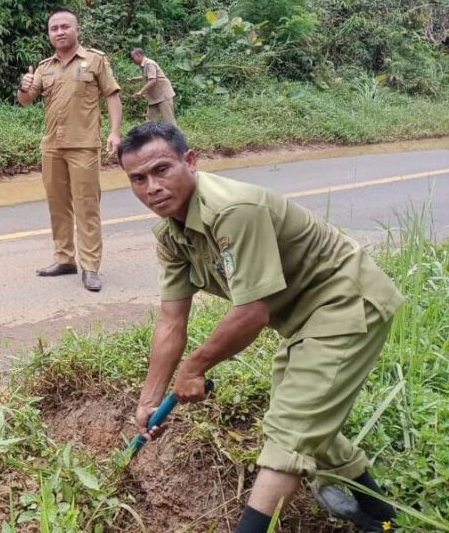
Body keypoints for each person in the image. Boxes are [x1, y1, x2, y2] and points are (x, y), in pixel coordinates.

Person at [118, 122, 402, 533]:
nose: (152, 187)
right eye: (138, 179)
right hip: (303, 318)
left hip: (346, 300)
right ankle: (377, 517)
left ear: (190, 161)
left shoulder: (233, 211)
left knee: (290, 431)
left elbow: (251, 313)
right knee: (304, 417)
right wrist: (149, 399)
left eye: (162, 170)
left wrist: (194, 367)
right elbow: (170, 319)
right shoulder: (171, 234)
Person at [18, 6, 123, 292]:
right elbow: (26, 100)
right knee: (57, 204)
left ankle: (90, 267)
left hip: (84, 145)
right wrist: (23, 86)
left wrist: (114, 132)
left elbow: (112, 95)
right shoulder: (44, 67)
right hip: (52, 145)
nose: (60, 32)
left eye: (65, 26)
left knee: (87, 206)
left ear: (76, 29)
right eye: (54, 28)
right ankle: (64, 258)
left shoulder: (95, 61)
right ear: (49, 34)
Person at [128, 48, 177, 125]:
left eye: (133, 57)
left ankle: (175, 136)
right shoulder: (145, 65)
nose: (132, 60)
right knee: (150, 120)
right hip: (155, 97)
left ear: (139, 55)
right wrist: (136, 79)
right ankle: (148, 136)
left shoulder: (149, 63)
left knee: (169, 120)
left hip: (163, 95)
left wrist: (140, 92)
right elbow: (149, 76)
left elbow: (152, 80)